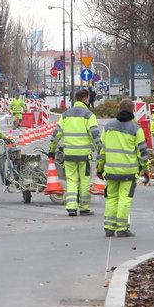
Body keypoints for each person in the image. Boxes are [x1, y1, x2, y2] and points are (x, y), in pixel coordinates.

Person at [97, 99, 149, 237]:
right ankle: (122, 228)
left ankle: (109, 227)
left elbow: (101, 150)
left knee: (111, 198)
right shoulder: (136, 129)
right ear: (133, 111)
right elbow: (142, 152)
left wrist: (100, 168)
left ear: (119, 109)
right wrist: (146, 169)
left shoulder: (108, 127)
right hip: (129, 171)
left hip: (111, 171)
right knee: (124, 199)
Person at [49, 88, 102, 216]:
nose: (89, 101)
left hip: (69, 155)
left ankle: (71, 207)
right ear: (84, 99)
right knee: (84, 181)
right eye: (88, 99)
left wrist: (51, 150)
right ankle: (84, 208)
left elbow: (56, 135)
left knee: (71, 180)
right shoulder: (89, 115)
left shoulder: (66, 115)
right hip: (84, 155)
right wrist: (101, 152)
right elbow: (95, 136)